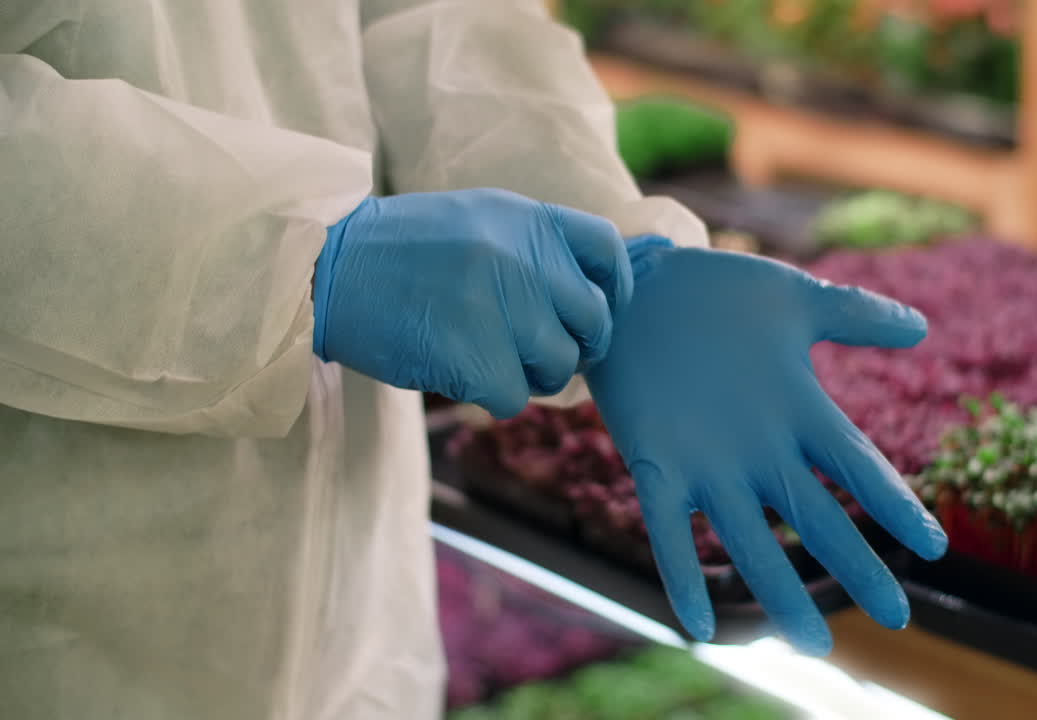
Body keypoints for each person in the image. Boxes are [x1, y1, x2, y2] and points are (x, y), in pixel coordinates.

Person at [0, 2, 947, 718]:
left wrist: (615, 256)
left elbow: (436, 15)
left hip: (358, 627)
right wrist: (287, 253)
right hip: (63, 633)